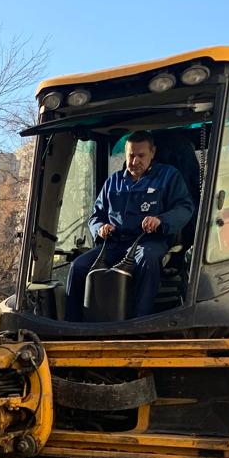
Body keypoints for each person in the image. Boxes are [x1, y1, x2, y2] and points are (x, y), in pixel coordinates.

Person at [65, 131, 195, 321]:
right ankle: (73, 324)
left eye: (141, 156)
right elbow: (96, 216)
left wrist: (161, 220)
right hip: (114, 244)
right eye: (131, 156)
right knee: (78, 266)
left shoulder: (168, 176)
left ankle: (138, 321)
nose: (135, 161)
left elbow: (184, 207)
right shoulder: (113, 182)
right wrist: (100, 228)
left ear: (153, 152)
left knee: (148, 259)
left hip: (149, 241)